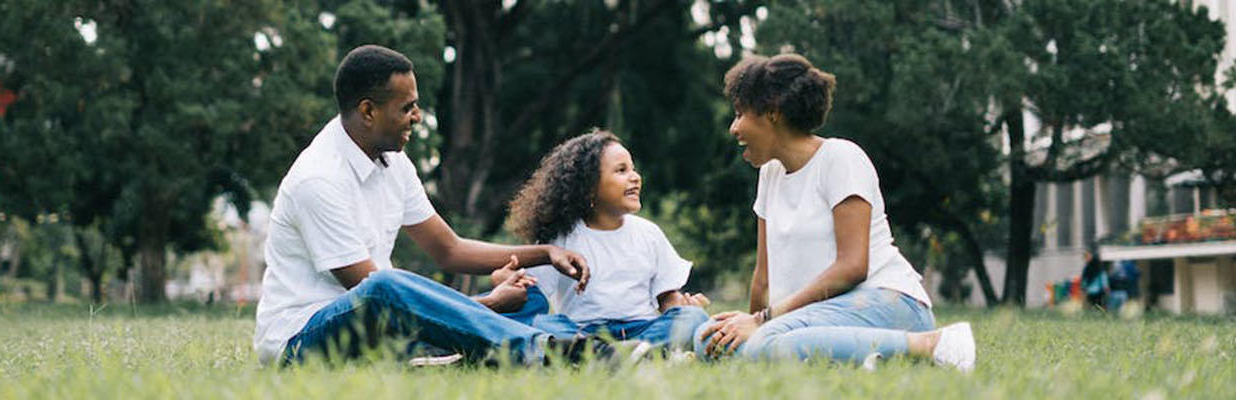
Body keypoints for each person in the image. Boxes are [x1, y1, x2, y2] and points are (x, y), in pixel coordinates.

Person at [253, 45, 600, 367]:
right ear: (368, 111)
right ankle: (542, 348)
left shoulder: (393, 163)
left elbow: (449, 250)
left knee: (528, 299)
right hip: (303, 339)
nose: (417, 117)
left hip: (383, 324)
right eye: (407, 107)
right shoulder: (318, 179)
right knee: (384, 285)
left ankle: (445, 351)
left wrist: (545, 253)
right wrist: (489, 303)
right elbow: (377, 298)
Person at [694, 53, 976, 372]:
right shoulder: (769, 174)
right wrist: (747, 327)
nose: (734, 128)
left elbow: (853, 266)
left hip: (885, 302)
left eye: (739, 113)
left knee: (766, 343)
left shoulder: (841, 158)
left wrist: (763, 323)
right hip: (813, 316)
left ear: (772, 112)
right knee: (708, 341)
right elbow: (763, 278)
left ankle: (932, 344)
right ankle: (860, 358)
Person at [496, 129, 711, 352]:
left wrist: (682, 309)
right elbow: (533, 295)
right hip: (582, 333)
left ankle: (631, 351)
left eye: (633, 169)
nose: (635, 177)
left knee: (693, 317)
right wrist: (508, 279)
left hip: (643, 328)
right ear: (588, 187)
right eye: (621, 170)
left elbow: (667, 296)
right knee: (546, 324)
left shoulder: (649, 233)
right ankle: (616, 353)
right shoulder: (560, 239)